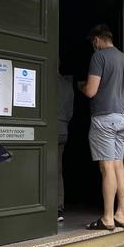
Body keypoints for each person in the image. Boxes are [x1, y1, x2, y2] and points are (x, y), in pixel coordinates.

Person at [79, 24, 124, 231]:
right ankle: (122, 213)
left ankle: (108, 217)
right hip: (123, 118)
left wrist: (82, 86)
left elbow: (91, 91)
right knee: (119, 165)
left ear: (96, 40)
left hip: (105, 118)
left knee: (107, 167)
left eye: (93, 42)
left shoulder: (99, 57)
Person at [57, 70, 74, 222]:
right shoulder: (68, 84)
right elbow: (70, 112)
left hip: (50, 129)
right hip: (63, 129)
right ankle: (58, 207)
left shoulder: (48, 80)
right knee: (58, 170)